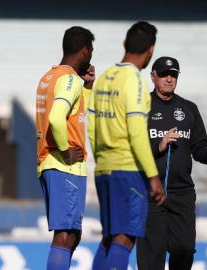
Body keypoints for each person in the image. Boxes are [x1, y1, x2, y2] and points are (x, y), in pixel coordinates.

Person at [136, 56, 207, 270]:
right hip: (151, 192)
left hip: (182, 193)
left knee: (184, 250)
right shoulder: (141, 107)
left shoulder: (189, 108)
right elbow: (131, 149)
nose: (169, 79)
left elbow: (198, 149)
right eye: (164, 74)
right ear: (153, 77)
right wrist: (158, 146)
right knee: (152, 257)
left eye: (174, 75)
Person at [87, 21, 166, 270]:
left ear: (125, 44)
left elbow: (91, 127)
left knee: (110, 237)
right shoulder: (135, 80)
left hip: (104, 170)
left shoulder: (104, 78)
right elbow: (136, 131)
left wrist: (101, 159)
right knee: (124, 237)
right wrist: (153, 176)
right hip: (127, 170)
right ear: (151, 50)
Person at [36, 26, 95, 270]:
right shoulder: (69, 79)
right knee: (65, 235)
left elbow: (76, 115)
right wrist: (65, 149)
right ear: (84, 51)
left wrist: (88, 88)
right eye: (91, 51)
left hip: (51, 165)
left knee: (72, 234)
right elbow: (57, 118)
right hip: (64, 166)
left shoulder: (49, 77)